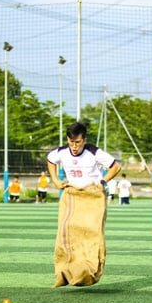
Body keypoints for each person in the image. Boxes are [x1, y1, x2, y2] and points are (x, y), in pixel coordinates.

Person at [46, 122, 121, 287]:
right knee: (66, 232)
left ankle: (89, 272)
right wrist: (56, 181)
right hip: (72, 195)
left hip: (92, 196)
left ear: (84, 140)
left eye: (78, 142)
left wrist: (103, 181)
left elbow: (116, 166)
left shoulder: (94, 153)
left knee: (91, 235)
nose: (74, 146)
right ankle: (65, 272)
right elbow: (51, 160)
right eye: (71, 142)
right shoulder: (62, 152)